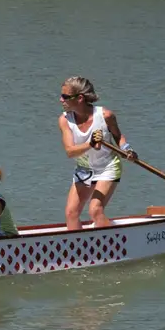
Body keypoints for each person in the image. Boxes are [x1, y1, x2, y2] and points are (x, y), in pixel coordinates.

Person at [58, 76, 126, 230]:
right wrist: (90, 144)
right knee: (71, 212)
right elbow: (70, 152)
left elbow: (118, 137)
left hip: (107, 167)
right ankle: (76, 251)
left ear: (80, 98)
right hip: (84, 169)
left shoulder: (106, 116)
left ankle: (112, 247)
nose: (61, 100)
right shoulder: (64, 120)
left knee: (95, 210)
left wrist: (127, 149)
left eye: (65, 97)